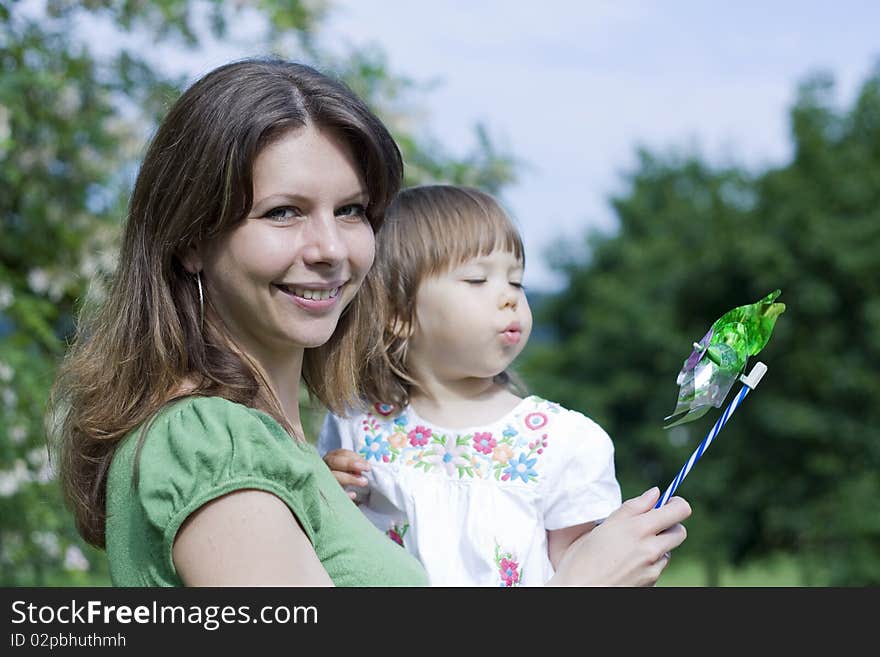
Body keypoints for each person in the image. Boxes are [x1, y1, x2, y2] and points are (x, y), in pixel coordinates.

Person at [48, 57, 688, 588]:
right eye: (282, 212)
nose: (330, 248)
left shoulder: (297, 449)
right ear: (190, 237)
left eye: (351, 210)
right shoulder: (207, 440)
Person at [319, 184, 690, 586]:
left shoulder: (563, 442)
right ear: (398, 312)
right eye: (478, 279)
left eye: (517, 282)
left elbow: (587, 570)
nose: (509, 298)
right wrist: (326, 492)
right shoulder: (355, 424)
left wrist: (628, 550)